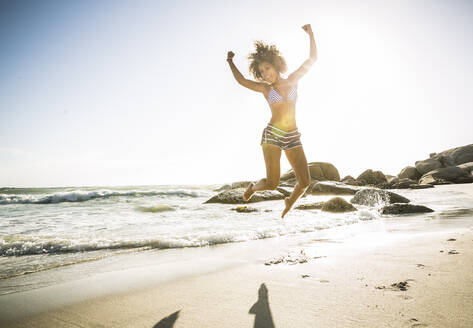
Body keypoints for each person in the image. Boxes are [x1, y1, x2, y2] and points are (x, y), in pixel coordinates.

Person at [227, 24, 317, 218]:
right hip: (272, 135)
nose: (265, 74)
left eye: (267, 68)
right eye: (261, 72)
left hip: (293, 135)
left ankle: (289, 202)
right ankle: (252, 187)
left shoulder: (294, 79)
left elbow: (312, 59)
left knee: (305, 181)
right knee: (272, 183)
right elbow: (242, 81)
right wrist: (230, 61)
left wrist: (310, 34)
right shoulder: (266, 89)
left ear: (275, 64)